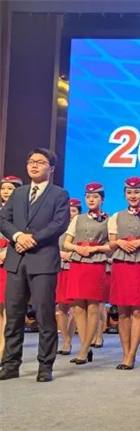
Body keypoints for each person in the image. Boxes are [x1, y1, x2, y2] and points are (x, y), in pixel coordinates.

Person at [0, 148, 70, 382]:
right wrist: (18, 236)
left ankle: (45, 365)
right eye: (31, 161)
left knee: (44, 314)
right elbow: (3, 219)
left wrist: (33, 239)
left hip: (43, 261)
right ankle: (10, 364)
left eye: (40, 162)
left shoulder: (59, 194)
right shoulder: (19, 193)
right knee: (13, 315)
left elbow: (59, 224)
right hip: (16, 259)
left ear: (51, 168)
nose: (34, 165)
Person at [108, 177, 140, 370]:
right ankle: (125, 352)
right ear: (124, 195)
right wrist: (120, 242)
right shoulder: (116, 216)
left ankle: (132, 355)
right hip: (121, 263)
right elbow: (111, 243)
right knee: (122, 311)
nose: (133, 195)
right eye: (129, 192)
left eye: (136, 192)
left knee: (137, 310)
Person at [63, 183, 111, 365]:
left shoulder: (109, 220)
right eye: (88, 196)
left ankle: (84, 349)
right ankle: (85, 346)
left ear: (102, 199)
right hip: (78, 263)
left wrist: (96, 248)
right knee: (77, 307)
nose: (91, 199)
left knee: (93, 307)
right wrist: (77, 248)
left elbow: (112, 245)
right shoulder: (77, 219)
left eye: (95, 196)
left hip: (96, 263)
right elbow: (67, 243)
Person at [0, 176, 24, 364]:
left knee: (9, 308)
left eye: (10, 188)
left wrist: (6, 252)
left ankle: (4, 349)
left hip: (11, 260)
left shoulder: (22, 212)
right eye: (3, 188)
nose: (6, 192)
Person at [55, 198, 82, 355]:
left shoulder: (81, 227)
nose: (70, 213)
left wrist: (72, 254)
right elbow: (51, 245)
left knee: (74, 307)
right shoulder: (59, 227)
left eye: (74, 211)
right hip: (60, 268)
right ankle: (64, 339)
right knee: (62, 307)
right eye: (68, 210)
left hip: (75, 267)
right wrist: (61, 254)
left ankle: (69, 340)